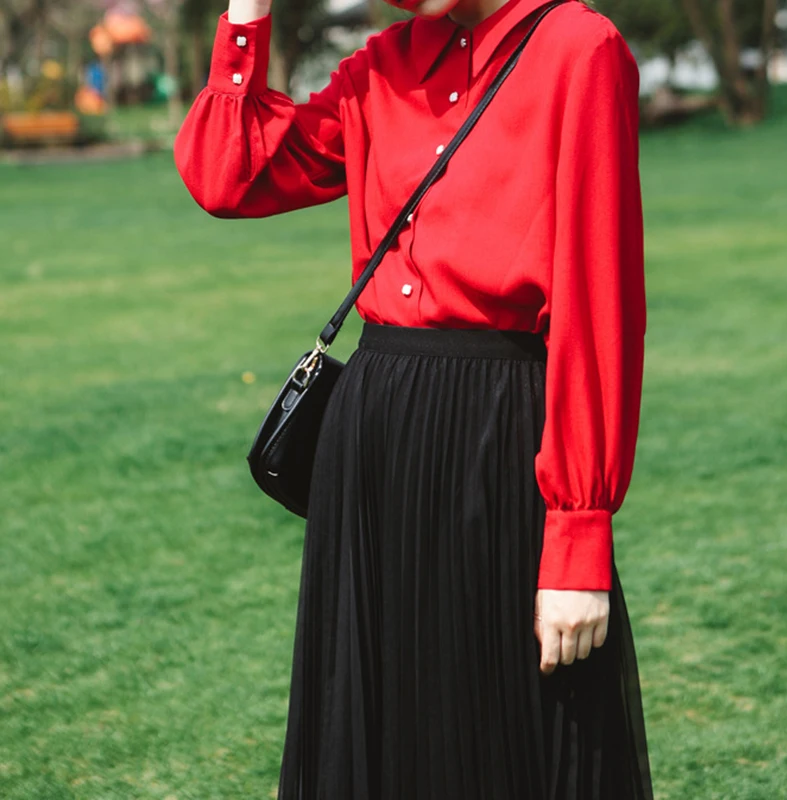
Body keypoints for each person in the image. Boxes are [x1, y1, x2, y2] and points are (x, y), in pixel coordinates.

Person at [175, 0, 654, 796]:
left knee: (512, 726)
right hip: (374, 436)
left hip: (500, 432)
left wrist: (579, 536)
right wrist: (247, 13)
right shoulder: (381, 66)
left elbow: (598, 302)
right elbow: (231, 175)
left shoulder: (579, 48)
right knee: (382, 722)